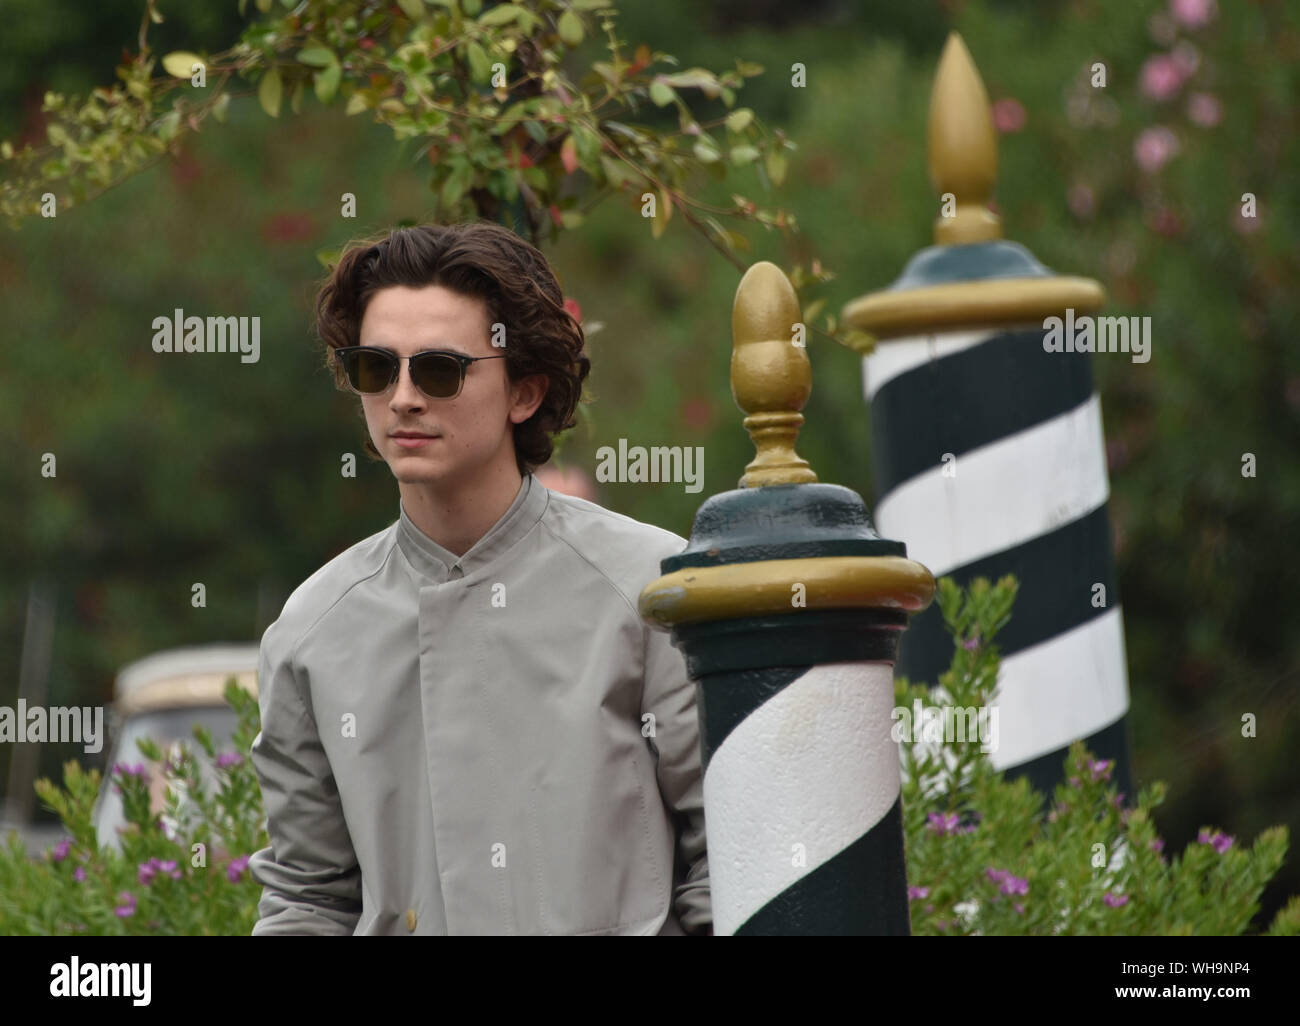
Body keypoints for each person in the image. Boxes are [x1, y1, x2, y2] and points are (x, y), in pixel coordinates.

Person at [247, 221, 711, 935]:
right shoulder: (313, 631)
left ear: (524, 393)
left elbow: (727, 853)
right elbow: (308, 900)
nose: (402, 397)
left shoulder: (652, 589)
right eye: (376, 367)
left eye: (438, 369)